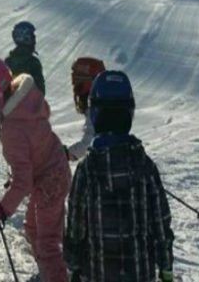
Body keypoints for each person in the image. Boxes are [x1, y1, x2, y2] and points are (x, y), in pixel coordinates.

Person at [64, 70, 174, 282]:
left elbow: (76, 227)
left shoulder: (87, 170)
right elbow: (160, 223)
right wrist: (166, 266)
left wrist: (74, 266)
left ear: (95, 113)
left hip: (98, 274)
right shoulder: (145, 167)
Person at [0, 58, 71, 282]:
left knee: (47, 243)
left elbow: (23, 182)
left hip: (48, 183)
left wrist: (3, 210)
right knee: (32, 228)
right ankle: (50, 271)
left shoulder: (12, 129)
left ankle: (56, 274)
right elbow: (30, 136)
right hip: (55, 170)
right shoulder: (27, 100)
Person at [66, 57, 106, 161]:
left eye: (77, 80)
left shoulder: (96, 107)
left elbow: (89, 143)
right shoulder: (104, 101)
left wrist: (66, 154)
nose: (74, 85)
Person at [5, 21, 45, 95]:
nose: (34, 40)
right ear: (27, 38)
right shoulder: (33, 63)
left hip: (9, 106)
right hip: (29, 105)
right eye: (32, 37)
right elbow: (40, 92)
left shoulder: (7, 62)